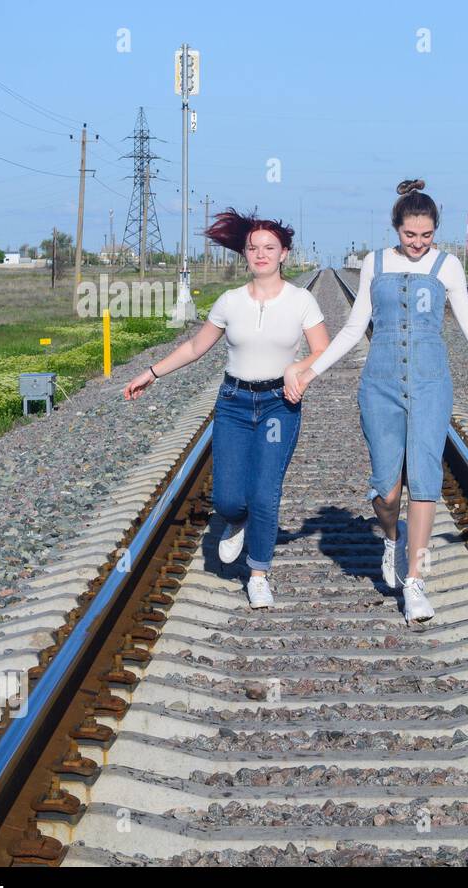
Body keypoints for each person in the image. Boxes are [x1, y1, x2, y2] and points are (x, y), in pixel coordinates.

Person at [285, 179, 468, 623]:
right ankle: (391, 538)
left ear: (436, 230)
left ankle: (415, 581)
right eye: (410, 235)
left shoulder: (449, 268)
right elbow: (354, 331)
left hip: (432, 385)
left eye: (426, 235)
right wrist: (310, 372)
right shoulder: (375, 264)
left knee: (426, 481)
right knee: (387, 490)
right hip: (380, 385)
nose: (418, 243)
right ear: (397, 228)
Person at [124, 209, 331, 608]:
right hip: (234, 404)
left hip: (278, 405)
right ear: (244, 254)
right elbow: (194, 347)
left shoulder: (301, 301)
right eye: (253, 248)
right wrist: (152, 372)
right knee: (227, 499)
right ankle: (237, 520)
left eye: (270, 247)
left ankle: (258, 574)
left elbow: (323, 350)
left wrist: (298, 369)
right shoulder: (229, 301)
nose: (261, 254)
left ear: (285, 253)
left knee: (265, 493)